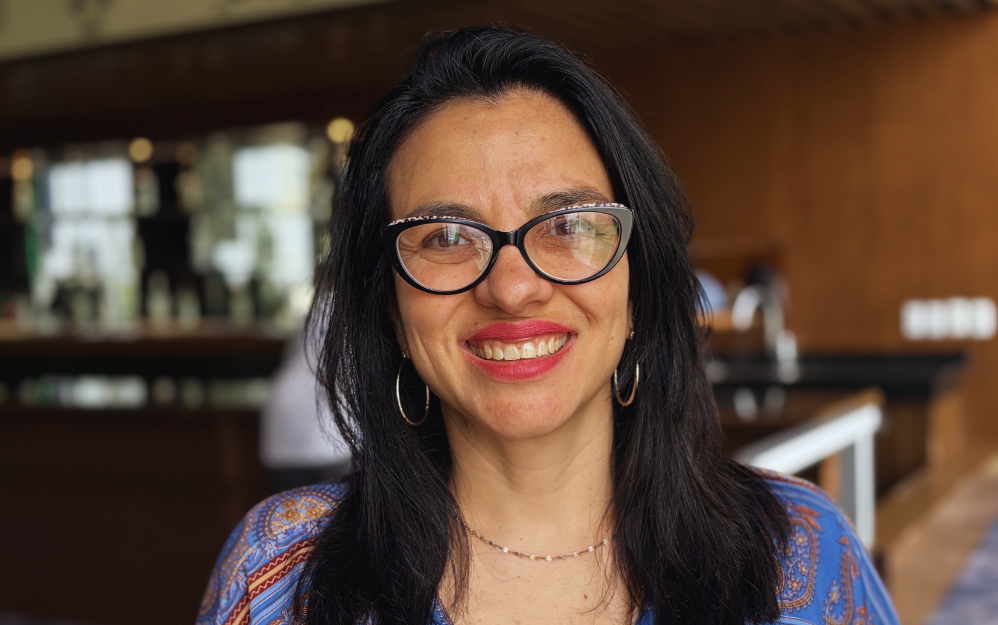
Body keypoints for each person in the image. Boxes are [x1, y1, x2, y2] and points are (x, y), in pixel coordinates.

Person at [197, 26, 899, 625]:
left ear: (637, 282)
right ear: (392, 307)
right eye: (446, 237)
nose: (511, 288)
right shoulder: (281, 577)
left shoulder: (801, 550)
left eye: (567, 225)